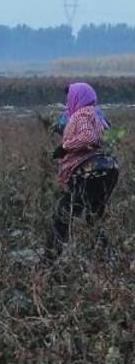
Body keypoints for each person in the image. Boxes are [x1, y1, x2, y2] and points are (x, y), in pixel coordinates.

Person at [48, 85, 118, 255]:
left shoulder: (81, 114)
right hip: (109, 170)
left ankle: (50, 260)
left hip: (90, 173)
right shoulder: (99, 115)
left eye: (69, 98)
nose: (67, 102)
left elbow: (88, 137)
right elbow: (110, 137)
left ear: (77, 97)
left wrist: (65, 147)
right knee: (93, 218)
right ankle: (107, 256)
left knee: (62, 216)